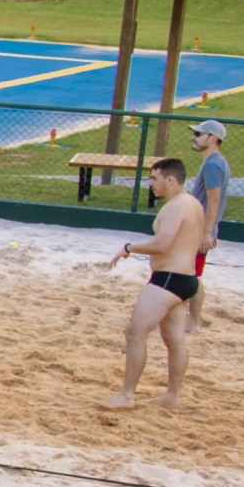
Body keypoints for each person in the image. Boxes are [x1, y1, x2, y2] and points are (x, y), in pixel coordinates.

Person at [101, 156, 205, 409]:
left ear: (170, 179)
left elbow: (162, 245)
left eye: (154, 178)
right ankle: (172, 395)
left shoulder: (174, 207)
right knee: (174, 340)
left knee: (135, 332)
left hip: (167, 280)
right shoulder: (192, 203)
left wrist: (129, 247)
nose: (150, 184)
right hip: (187, 281)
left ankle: (126, 395)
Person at [187, 120, 230, 330]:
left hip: (199, 230)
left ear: (212, 138)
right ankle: (193, 318)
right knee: (190, 273)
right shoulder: (216, 162)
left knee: (191, 274)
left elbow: (214, 200)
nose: (194, 137)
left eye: (198, 133)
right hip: (201, 228)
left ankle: (193, 320)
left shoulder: (213, 164)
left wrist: (206, 232)